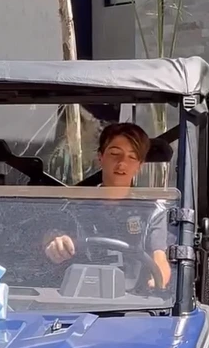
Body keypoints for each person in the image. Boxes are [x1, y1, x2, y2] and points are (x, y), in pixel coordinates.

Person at [44, 123, 172, 289]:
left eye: (132, 157)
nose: (122, 163)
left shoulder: (152, 211)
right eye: (115, 154)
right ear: (100, 157)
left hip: (135, 299)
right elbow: (53, 237)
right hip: (80, 295)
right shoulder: (75, 208)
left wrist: (159, 279)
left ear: (139, 166)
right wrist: (56, 245)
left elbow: (160, 256)